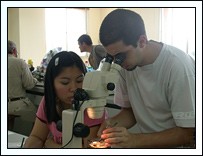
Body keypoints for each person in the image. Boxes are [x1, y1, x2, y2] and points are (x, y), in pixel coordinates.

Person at [97, 9, 195, 148]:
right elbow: (130, 112)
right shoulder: (125, 66)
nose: (116, 62)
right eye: (111, 57)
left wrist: (134, 140)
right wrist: (110, 125)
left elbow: (188, 134)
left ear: (142, 41)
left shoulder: (177, 66)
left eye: (120, 56)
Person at [23, 51, 107, 148]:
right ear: (52, 83)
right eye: (65, 82)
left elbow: (89, 147)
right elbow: (37, 137)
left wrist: (52, 145)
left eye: (79, 80)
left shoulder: (92, 107)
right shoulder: (48, 101)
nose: (74, 88)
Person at [8, 40, 38, 133]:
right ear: (14, 51)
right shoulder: (19, 62)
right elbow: (29, 85)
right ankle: (32, 140)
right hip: (15, 105)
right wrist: (35, 79)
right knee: (39, 116)